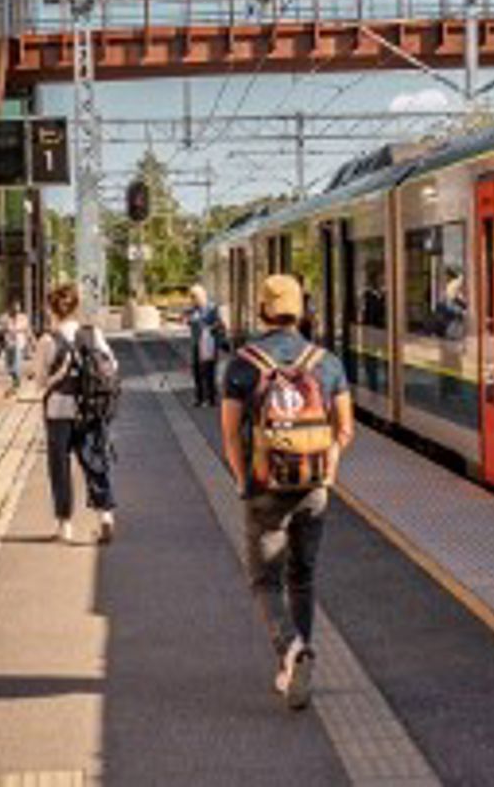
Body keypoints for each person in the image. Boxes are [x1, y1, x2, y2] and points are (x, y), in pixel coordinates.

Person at [222, 272, 355, 710]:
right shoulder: (327, 361)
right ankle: (298, 664)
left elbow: (228, 433)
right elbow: (346, 429)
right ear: (301, 311)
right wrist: (330, 468)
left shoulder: (243, 363)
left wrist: (242, 479)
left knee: (265, 580)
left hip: (265, 486)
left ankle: (292, 651)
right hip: (314, 486)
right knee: (302, 576)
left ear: (262, 310)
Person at [35, 282, 118, 544]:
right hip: (90, 408)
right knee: (94, 461)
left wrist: (59, 375)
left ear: (51, 309)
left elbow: (40, 381)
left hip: (59, 410)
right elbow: (111, 366)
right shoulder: (93, 334)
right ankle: (105, 515)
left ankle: (65, 525)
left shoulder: (48, 340)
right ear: (76, 307)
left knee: (59, 466)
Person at [187, 285, 224, 407]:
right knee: (197, 371)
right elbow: (190, 322)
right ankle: (199, 398)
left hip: (209, 344)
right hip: (196, 344)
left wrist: (211, 327)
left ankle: (211, 398)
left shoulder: (212, 308)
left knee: (208, 371)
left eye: (194, 297)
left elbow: (220, 324)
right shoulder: (193, 309)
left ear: (201, 296)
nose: (192, 300)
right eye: (191, 297)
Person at [1, 300, 33, 390]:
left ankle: (16, 380)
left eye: (18, 309)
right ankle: (14, 376)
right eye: (14, 309)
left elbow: (28, 330)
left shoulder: (23, 318)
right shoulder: (5, 318)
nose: (16, 311)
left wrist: (32, 342)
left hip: (19, 343)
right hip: (9, 343)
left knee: (17, 361)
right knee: (8, 365)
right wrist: (5, 330)